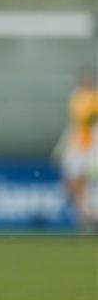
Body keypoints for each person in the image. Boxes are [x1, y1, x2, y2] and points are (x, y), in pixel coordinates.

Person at [54, 72, 98, 230]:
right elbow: (74, 126)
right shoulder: (77, 98)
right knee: (72, 186)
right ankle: (87, 218)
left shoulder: (94, 99)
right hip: (77, 149)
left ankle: (89, 219)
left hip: (90, 150)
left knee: (83, 185)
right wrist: (63, 147)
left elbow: (93, 127)